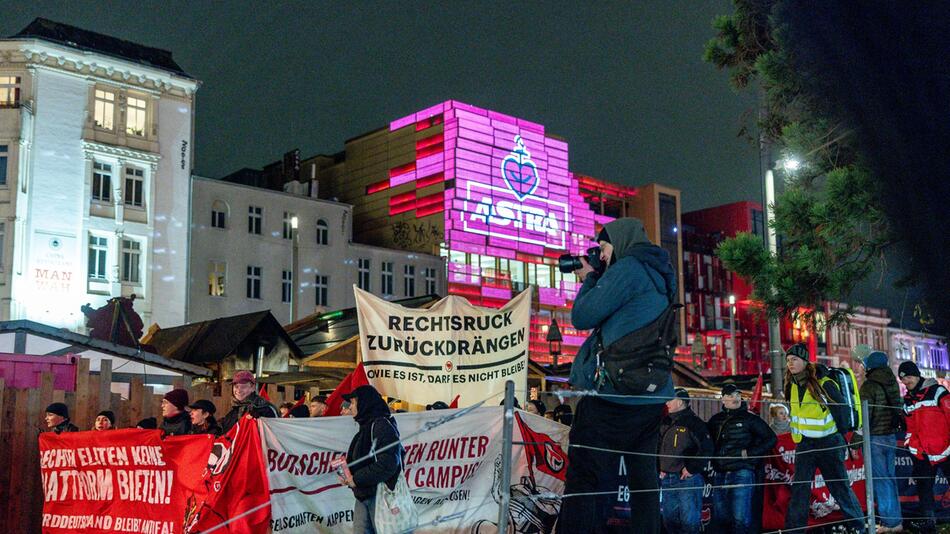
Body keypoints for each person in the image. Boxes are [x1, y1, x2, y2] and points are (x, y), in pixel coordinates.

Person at [558, 218, 677, 534]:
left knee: (588, 475)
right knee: (643, 480)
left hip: (614, 394)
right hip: (651, 395)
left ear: (620, 243)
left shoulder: (628, 270)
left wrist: (591, 278)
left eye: (604, 247)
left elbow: (582, 316)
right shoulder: (659, 273)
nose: (603, 254)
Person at [783, 343, 864, 532]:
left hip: (829, 442)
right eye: (788, 360)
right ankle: (795, 530)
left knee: (839, 488)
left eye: (794, 359)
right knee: (800, 491)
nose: (790, 364)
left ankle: (858, 527)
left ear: (805, 361)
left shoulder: (824, 382)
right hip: (805, 444)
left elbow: (841, 411)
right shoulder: (792, 385)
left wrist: (844, 438)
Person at [706, 384, 777, 534]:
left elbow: (771, 438)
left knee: (741, 518)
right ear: (723, 399)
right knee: (721, 517)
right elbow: (706, 441)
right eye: (731, 395)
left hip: (742, 472)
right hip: (720, 473)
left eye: (738, 395)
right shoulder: (715, 420)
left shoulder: (750, 419)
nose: (735, 398)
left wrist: (749, 453)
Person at [338, 385, 402, 534]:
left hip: (380, 496)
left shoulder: (381, 426)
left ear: (364, 403)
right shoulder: (367, 426)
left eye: (353, 402)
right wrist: (347, 474)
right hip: (365, 494)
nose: (351, 407)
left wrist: (357, 478)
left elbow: (388, 463)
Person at [855, 351, 904, 532]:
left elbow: (864, 417)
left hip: (875, 437)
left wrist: (855, 442)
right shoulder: (892, 382)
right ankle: (895, 521)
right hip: (890, 437)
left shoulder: (869, 386)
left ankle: (889, 523)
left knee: (881, 480)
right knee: (890, 478)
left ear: (870, 366)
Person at [899, 361, 949, 534]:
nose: (906, 382)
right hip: (923, 453)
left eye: (909, 377)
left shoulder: (937, 391)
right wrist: (913, 448)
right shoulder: (908, 400)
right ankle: (929, 524)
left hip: (946, 450)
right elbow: (910, 428)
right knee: (924, 489)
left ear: (917, 375)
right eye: (903, 379)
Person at [658, 388, 713, 534]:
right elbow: (657, 446)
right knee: (669, 520)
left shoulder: (694, 423)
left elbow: (707, 448)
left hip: (687, 479)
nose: (667, 402)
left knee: (689, 521)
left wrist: (691, 468)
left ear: (681, 402)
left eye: (671, 399)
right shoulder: (665, 422)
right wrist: (660, 467)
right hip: (667, 478)